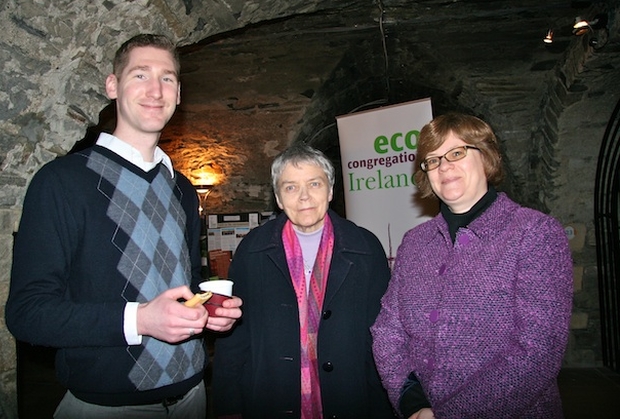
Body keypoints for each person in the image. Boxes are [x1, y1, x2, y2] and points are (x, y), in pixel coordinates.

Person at [5, 34, 242, 419]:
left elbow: (182, 284)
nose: (155, 89)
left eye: (167, 78)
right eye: (140, 75)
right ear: (112, 86)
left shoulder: (181, 189)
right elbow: (27, 313)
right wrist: (140, 320)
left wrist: (205, 308)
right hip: (104, 406)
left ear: (179, 93)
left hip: (193, 397)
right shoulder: (61, 181)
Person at [371, 113, 573, 419]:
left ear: (486, 157)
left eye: (457, 153)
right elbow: (388, 331)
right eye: (433, 160)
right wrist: (411, 401)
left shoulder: (534, 233)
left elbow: (538, 350)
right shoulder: (415, 242)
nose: (444, 166)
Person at [212, 143, 395, 418]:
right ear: (278, 198)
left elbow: (383, 336)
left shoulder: (366, 248)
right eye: (291, 187)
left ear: (330, 190)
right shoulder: (252, 250)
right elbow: (234, 336)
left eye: (314, 184)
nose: (304, 197)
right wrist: (228, 407)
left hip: (352, 399)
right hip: (269, 397)